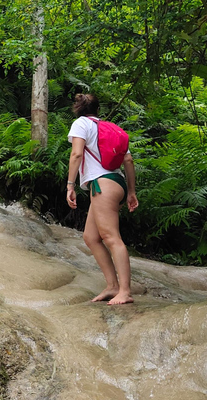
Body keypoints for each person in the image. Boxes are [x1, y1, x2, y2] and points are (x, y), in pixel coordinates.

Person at [66, 93, 138, 305]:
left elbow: (76, 154)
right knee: (91, 237)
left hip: (102, 184)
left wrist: (70, 185)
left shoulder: (81, 124)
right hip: (117, 182)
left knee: (111, 237)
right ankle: (112, 286)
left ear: (78, 109)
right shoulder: (110, 128)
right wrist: (131, 192)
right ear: (98, 110)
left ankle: (125, 291)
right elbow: (128, 159)